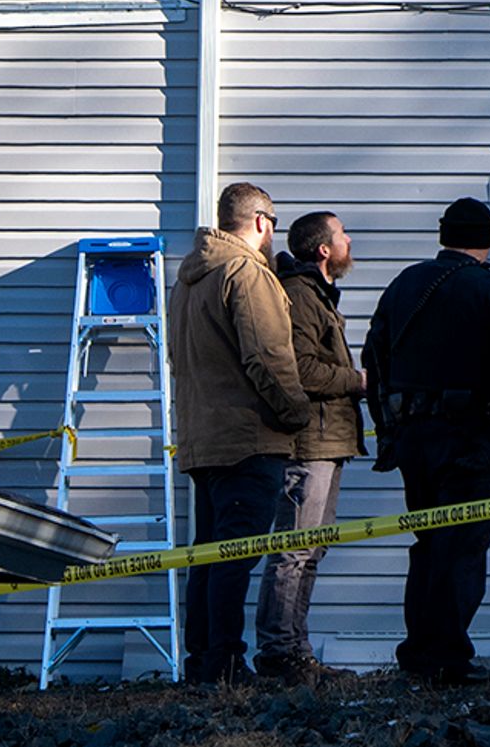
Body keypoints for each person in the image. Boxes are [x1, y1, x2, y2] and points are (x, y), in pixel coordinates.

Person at [363, 195, 490, 687]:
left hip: (415, 441)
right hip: (468, 443)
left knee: (428, 544)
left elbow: (373, 357)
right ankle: (447, 657)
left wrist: (389, 432)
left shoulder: (405, 284)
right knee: (461, 547)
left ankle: (421, 651)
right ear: (488, 239)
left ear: (444, 235)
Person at [165, 180, 312, 685]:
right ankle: (226, 662)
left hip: (201, 439)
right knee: (235, 557)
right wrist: (296, 415)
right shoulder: (247, 274)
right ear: (261, 222)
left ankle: (203, 662)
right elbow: (267, 358)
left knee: (208, 556)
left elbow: (179, 358)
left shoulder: (187, 280)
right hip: (247, 438)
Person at [258, 208, 366, 682]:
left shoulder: (317, 295)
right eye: (342, 235)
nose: (348, 242)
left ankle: (296, 651)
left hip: (329, 441)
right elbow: (301, 370)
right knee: (294, 550)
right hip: (309, 444)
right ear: (324, 249)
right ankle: (279, 653)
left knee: (311, 548)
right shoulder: (302, 296)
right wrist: (358, 380)